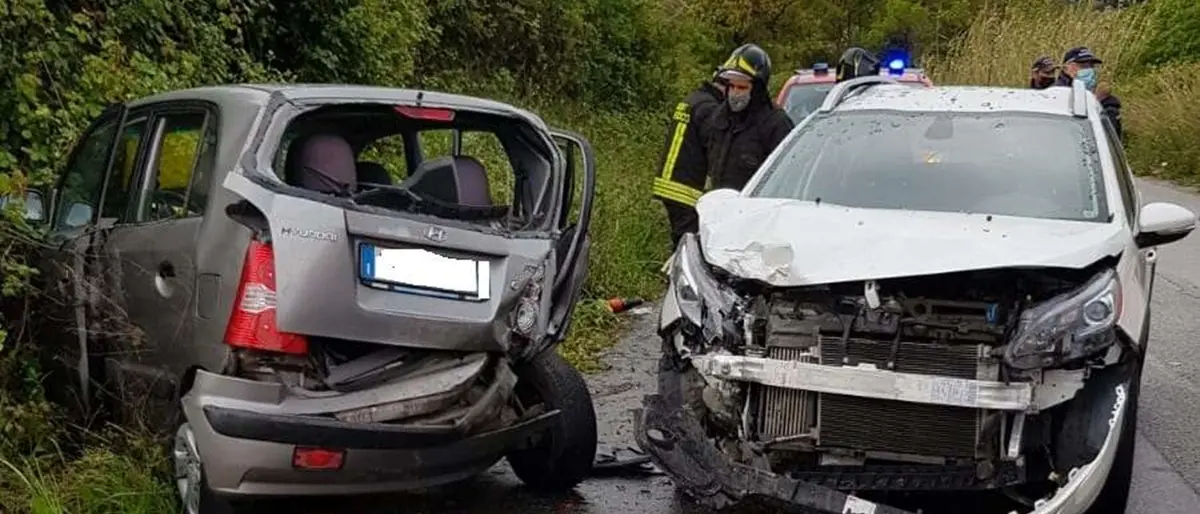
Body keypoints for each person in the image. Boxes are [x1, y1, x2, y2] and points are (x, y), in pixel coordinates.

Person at [651, 69, 727, 249]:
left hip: (669, 181)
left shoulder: (692, 100)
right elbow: (713, 146)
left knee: (680, 235)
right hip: (684, 188)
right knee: (689, 242)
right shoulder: (709, 107)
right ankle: (676, 274)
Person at [704, 44, 795, 193]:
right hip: (721, 207)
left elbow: (786, 178)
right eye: (731, 86)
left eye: (742, 88)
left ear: (757, 89)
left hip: (756, 211)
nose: (734, 93)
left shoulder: (776, 124)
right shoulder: (720, 118)